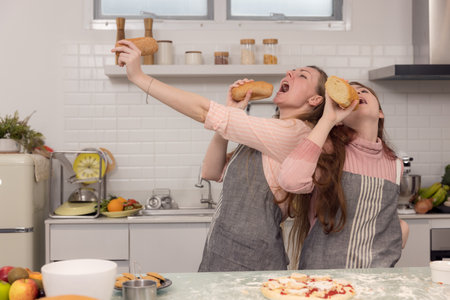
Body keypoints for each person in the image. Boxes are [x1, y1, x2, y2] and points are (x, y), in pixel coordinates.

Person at [111, 40, 327, 271]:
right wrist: (231, 113)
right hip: (219, 251)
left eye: (302, 75)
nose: (290, 73)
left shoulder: (297, 133)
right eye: (292, 71)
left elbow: (204, 111)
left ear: (314, 100)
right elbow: (211, 171)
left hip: (254, 263)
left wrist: (138, 76)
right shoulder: (269, 131)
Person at [278, 82, 409, 269]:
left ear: (380, 113)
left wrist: (402, 228)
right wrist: (328, 119)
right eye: (353, 93)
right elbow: (290, 181)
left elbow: (378, 220)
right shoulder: (329, 152)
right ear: (341, 119)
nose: (358, 92)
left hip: (375, 282)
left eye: (364, 91)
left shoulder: (395, 165)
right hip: (324, 280)